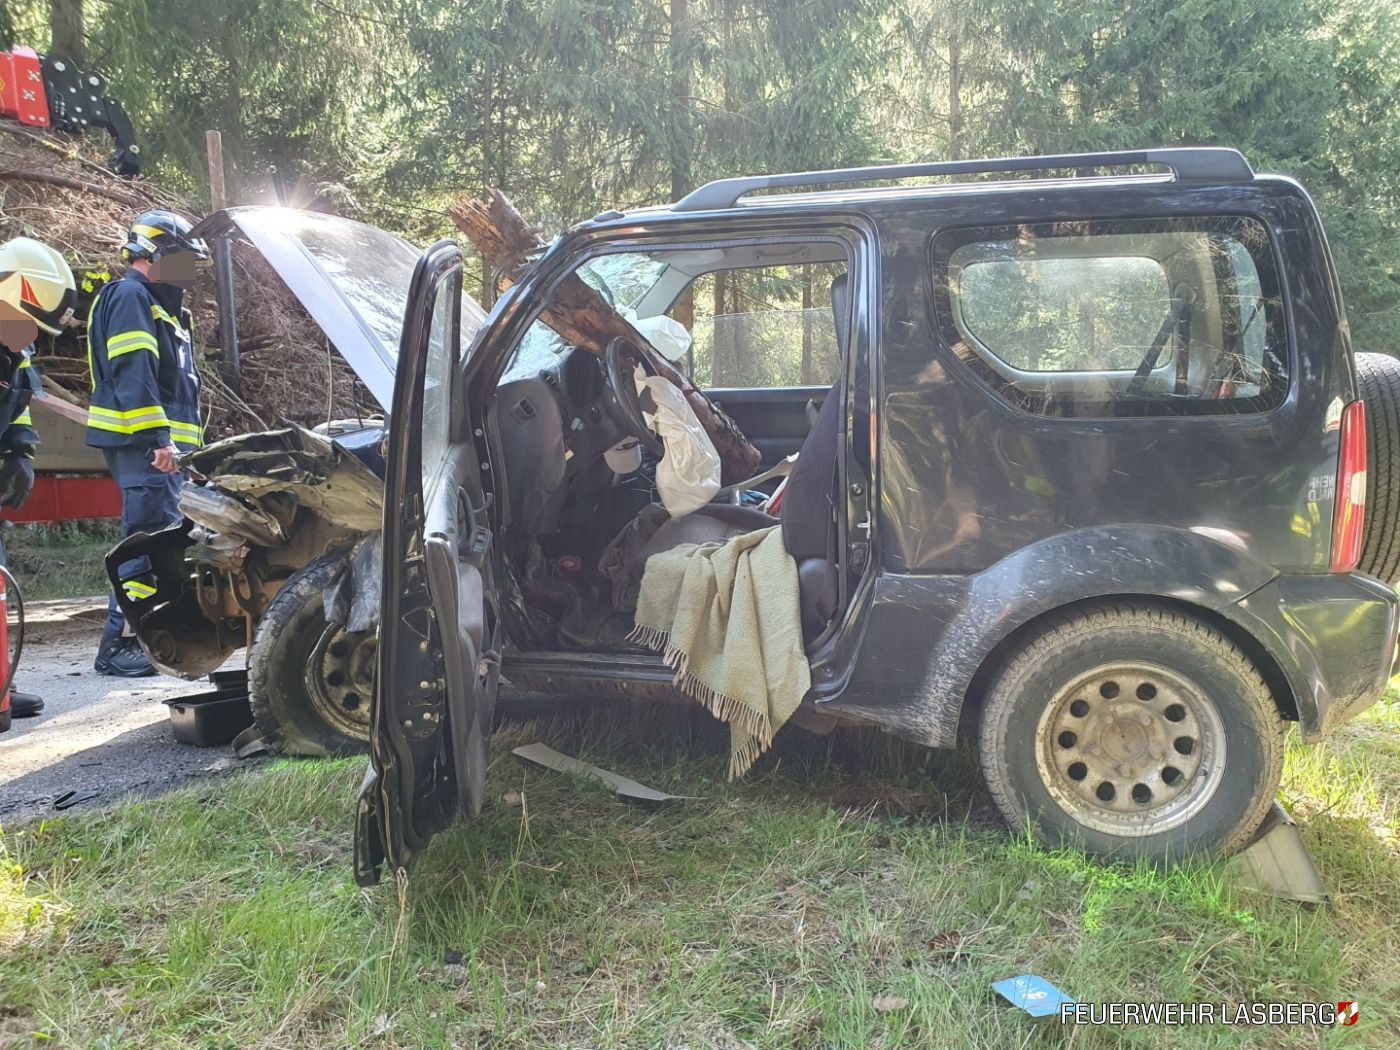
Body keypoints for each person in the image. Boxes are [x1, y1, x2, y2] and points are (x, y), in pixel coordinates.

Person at [87, 211, 209, 677]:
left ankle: (152, 637)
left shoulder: (165, 307)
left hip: (163, 451)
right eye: (183, 260)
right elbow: (133, 371)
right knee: (143, 540)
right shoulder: (130, 297)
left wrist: (186, 454)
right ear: (155, 254)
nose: (189, 271)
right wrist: (156, 439)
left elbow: (179, 388)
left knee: (160, 540)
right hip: (142, 444)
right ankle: (118, 645)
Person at [0, 237, 78, 718]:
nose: (32, 335)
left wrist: (21, 452)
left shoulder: (14, 343)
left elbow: (19, 405)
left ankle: (1, 685)